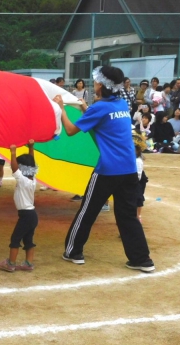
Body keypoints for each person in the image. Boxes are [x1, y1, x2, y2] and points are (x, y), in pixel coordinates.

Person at [54, 65, 155, 272]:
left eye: (96, 81)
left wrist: (61, 108)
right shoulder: (121, 105)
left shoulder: (99, 108)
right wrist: (85, 109)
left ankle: (73, 252)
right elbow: (102, 126)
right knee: (127, 214)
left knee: (88, 210)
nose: (94, 83)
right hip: (128, 169)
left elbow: (72, 130)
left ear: (102, 84)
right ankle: (141, 259)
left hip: (108, 169)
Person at [0, 140, 38, 272]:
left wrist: (13, 153)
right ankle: (28, 263)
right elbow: (31, 163)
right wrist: (31, 148)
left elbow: (15, 168)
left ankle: (11, 263)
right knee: (28, 239)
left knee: (15, 238)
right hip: (32, 215)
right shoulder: (32, 178)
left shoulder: (23, 180)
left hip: (26, 215)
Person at [132, 132, 148, 223]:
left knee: (138, 198)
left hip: (137, 181)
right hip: (134, 180)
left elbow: (137, 176)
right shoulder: (134, 158)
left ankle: (138, 217)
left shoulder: (138, 161)